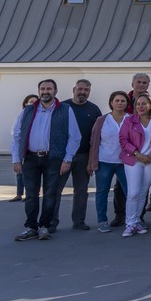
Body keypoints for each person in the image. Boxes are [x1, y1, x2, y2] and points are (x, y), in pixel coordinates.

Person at [11, 79, 82, 241]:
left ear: (55, 91)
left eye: (49, 88)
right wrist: (16, 159)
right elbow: (17, 135)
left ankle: (44, 226)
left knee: (50, 194)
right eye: (42, 88)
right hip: (30, 158)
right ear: (39, 91)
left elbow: (75, 137)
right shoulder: (28, 111)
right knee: (31, 195)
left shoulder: (65, 110)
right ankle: (30, 227)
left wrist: (67, 159)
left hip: (54, 159)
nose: (45, 91)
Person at [54, 79, 101, 231]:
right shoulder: (61, 107)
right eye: (80, 89)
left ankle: (79, 221)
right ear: (73, 89)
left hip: (83, 156)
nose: (82, 92)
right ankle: (51, 222)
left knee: (81, 191)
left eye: (86, 90)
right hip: (63, 157)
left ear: (89, 92)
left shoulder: (94, 110)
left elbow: (97, 137)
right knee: (55, 190)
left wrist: (92, 160)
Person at [119, 93, 151, 237]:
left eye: (144, 104)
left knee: (144, 192)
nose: (140, 107)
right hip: (134, 160)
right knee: (133, 193)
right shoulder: (129, 120)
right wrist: (138, 154)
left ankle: (136, 221)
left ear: (150, 105)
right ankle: (129, 224)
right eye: (138, 104)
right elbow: (123, 140)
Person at [88, 91, 130, 233]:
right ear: (111, 102)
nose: (120, 103)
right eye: (117, 100)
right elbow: (94, 141)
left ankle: (132, 220)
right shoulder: (102, 120)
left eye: (123, 101)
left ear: (127, 103)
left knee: (130, 192)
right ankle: (102, 221)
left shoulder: (131, 119)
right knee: (102, 192)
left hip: (125, 162)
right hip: (104, 161)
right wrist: (91, 162)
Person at [9, 94, 39, 202]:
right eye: (30, 102)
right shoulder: (21, 115)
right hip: (21, 147)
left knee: (30, 173)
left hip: (31, 150)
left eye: (35, 102)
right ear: (25, 103)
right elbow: (15, 131)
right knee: (19, 171)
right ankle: (19, 194)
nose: (32, 104)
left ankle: (29, 194)